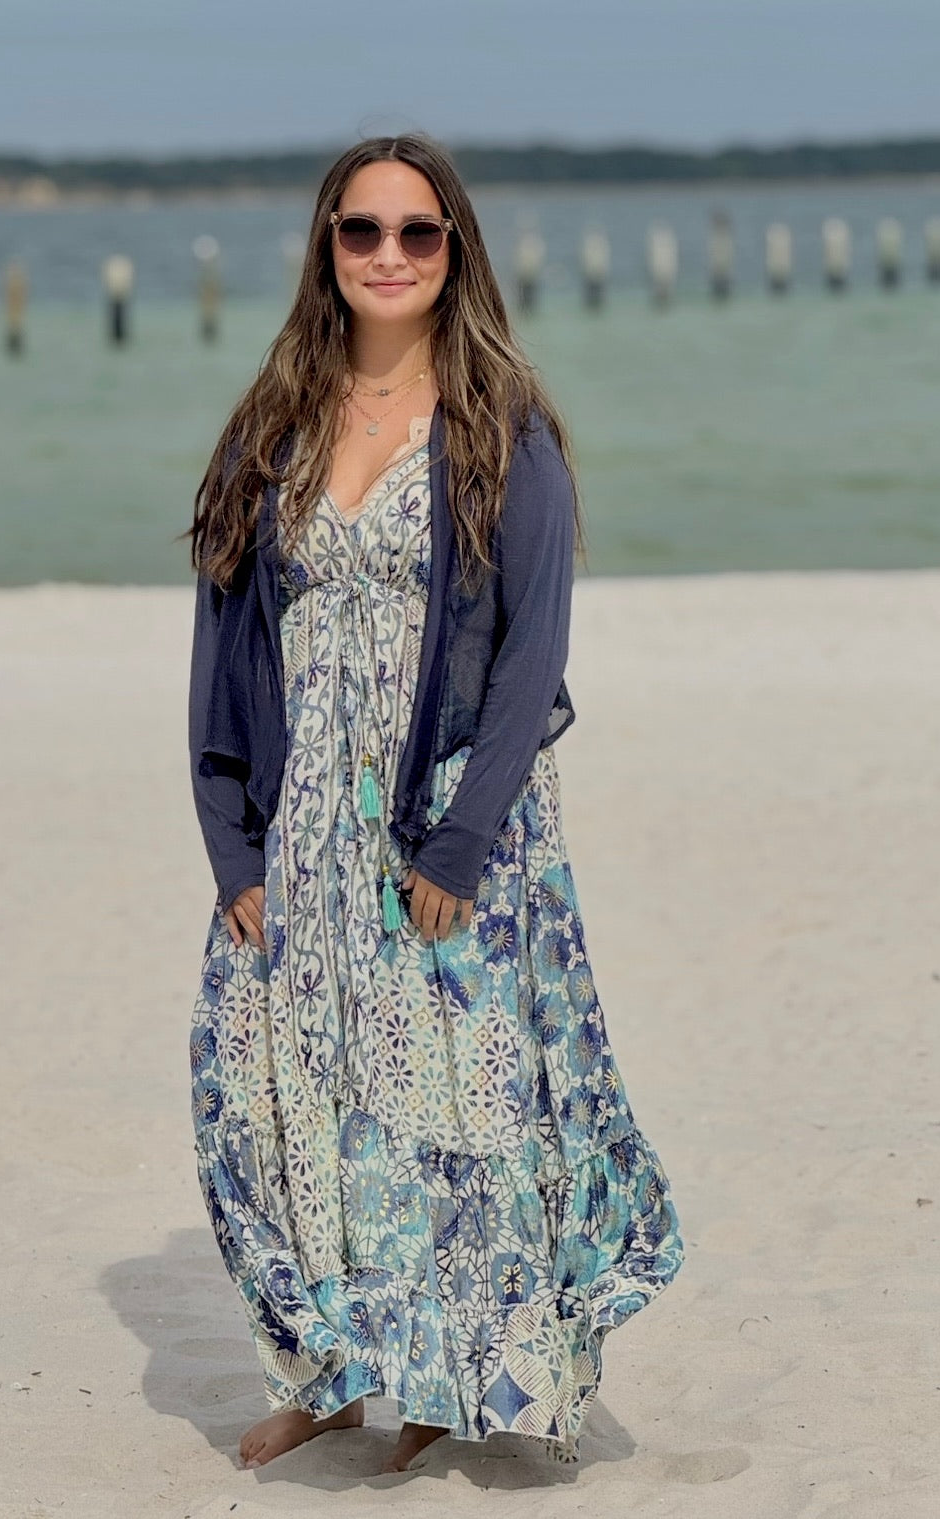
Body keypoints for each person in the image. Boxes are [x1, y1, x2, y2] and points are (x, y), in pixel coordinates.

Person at [186, 133, 683, 1475]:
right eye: (363, 231)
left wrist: (463, 840)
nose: (389, 256)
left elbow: (531, 658)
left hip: (454, 816)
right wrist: (230, 834)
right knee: (279, 1081)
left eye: (418, 232)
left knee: (457, 1101)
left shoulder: (500, 427)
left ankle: (443, 1385)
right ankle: (330, 1368)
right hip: (301, 825)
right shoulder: (270, 426)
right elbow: (223, 645)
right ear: (327, 248)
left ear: (454, 250)